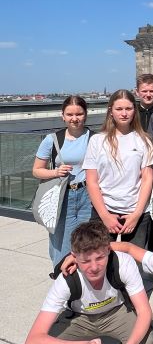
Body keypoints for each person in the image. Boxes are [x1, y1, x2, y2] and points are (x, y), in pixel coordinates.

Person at [24, 221, 153, 344]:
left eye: (100, 258)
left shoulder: (123, 263)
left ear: (108, 250)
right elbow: (32, 343)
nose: (94, 267)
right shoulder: (66, 279)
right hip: (80, 317)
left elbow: (144, 311)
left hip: (116, 312)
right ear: (74, 257)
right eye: (85, 261)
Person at [82, 89, 153, 250]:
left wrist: (136, 214)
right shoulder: (97, 141)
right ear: (111, 111)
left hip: (136, 213)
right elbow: (92, 181)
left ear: (134, 110)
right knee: (101, 259)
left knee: (134, 262)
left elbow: (147, 179)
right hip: (104, 210)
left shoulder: (144, 141)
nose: (124, 113)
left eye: (128, 108)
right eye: (119, 109)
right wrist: (104, 216)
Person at [32, 95, 94, 266]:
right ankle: (60, 275)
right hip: (63, 196)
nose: (75, 118)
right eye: (70, 114)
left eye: (79, 114)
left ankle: (83, 276)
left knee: (87, 240)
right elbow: (36, 170)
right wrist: (55, 172)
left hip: (88, 195)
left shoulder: (95, 138)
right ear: (63, 116)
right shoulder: (52, 139)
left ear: (85, 114)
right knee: (61, 242)